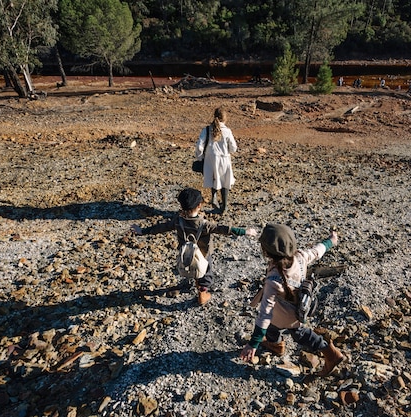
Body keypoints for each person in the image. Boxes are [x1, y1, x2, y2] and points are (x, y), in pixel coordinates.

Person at [240, 224, 344, 377]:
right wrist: (331, 241)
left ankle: (330, 353)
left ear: (266, 252)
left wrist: (253, 343)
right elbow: (317, 251)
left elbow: (265, 314)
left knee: (293, 331)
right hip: (300, 305)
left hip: (284, 314)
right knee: (285, 329)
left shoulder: (273, 280)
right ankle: (277, 345)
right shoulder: (300, 256)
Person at [130, 188, 257, 305]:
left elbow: (161, 227)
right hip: (203, 254)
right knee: (206, 272)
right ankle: (202, 293)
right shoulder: (205, 224)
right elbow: (224, 229)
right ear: (199, 205)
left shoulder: (177, 221)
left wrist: (143, 231)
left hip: (185, 253)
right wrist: (245, 231)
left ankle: (195, 281)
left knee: (192, 268)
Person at [195, 108, 237, 213]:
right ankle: (224, 206)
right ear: (225, 118)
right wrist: (228, 151)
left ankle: (213, 196)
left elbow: (199, 145)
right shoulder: (227, 131)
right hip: (224, 158)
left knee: (214, 178)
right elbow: (233, 147)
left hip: (210, 158)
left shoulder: (207, 130)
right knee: (225, 181)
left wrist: (200, 157)